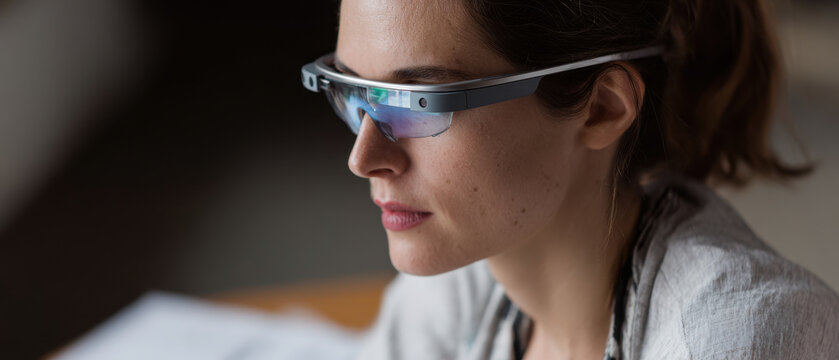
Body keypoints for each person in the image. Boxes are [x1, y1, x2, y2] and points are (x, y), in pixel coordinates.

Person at [301, 0, 839, 359]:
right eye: (352, 91)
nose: (362, 158)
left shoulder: (736, 335)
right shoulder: (459, 286)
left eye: (421, 102)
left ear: (602, 109)